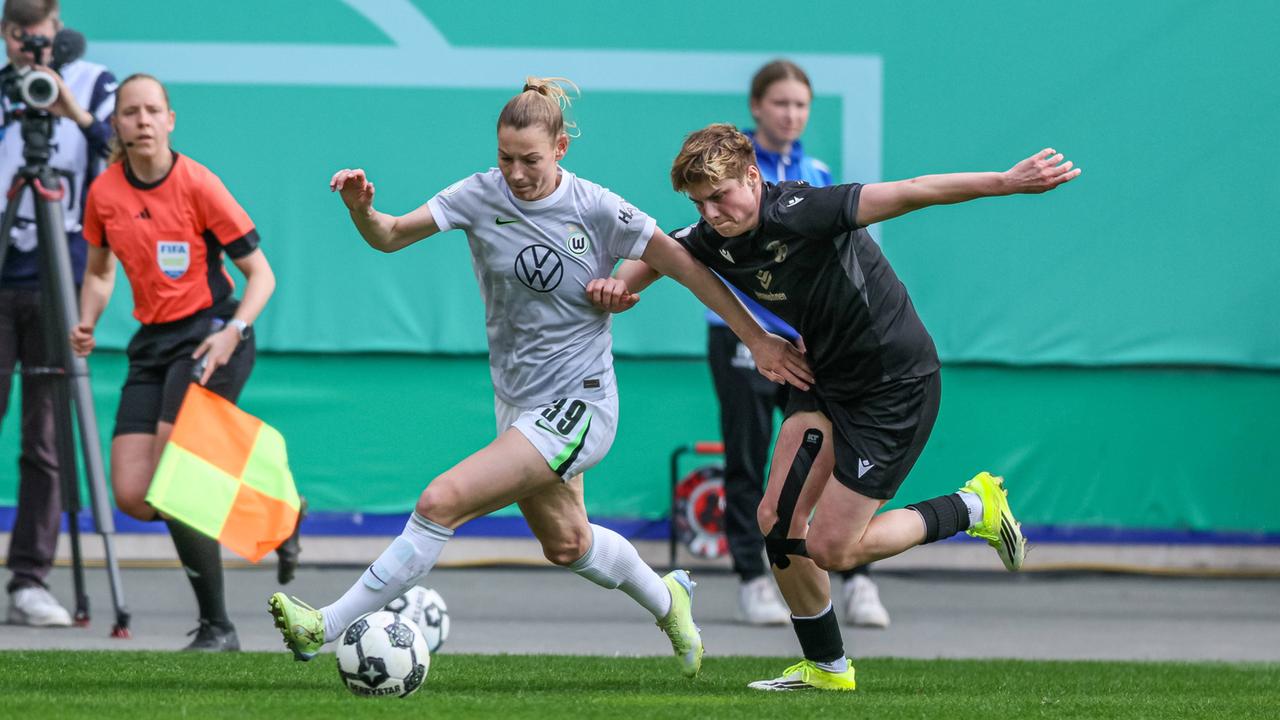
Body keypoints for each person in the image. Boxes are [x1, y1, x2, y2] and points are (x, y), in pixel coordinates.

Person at [267, 77, 811, 678]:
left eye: (530, 159)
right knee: (568, 545)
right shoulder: (478, 195)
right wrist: (362, 210)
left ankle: (324, 624)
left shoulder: (598, 207)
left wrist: (756, 336)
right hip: (518, 401)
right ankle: (670, 598)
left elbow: (687, 267)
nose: (517, 173)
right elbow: (391, 236)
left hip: (582, 403)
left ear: (560, 150)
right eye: (506, 158)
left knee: (440, 501)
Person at [595, 123, 1079, 690]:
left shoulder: (805, 209)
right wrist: (618, 288)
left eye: (720, 196)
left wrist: (1006, 181)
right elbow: (666, 254)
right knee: (776, 522)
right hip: (823, 377)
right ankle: (827, 666)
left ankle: (973, 508)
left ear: (753, 177)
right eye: (699, 203)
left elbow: (913, 189)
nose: (712, 212)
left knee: (832, 548)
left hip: (894, 386)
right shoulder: (712, 232)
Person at [74, 73, 280, 651]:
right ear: (115, 124)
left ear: (169, 120)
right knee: (135, 496)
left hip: (212, 336)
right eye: (130, 112)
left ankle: (219, 628)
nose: (141, 120)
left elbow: (261, 274)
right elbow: (97, 271)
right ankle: (274, 506)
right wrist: (87, 319)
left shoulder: (197, 183)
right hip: (152, 345)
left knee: (176, 484)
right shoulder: (104, 193)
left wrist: (233, 331)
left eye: (152, 110)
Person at [704, 59, 887, 627]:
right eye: (781, 103)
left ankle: (855, 580)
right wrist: (756, 334)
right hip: (746, 342)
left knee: (831, 457)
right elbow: (696, 253)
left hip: (812, 345)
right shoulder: (728, 172)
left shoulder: (816, 171)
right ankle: (753, 579)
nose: (791, 114)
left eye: (801, 105)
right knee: (748, 457)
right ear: (757, 107)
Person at [0, 0, 114, 628]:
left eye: (39, 35)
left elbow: (124, 152)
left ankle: (29, 580)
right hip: (1, 275)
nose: (30, 49)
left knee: (45, 438)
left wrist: (65, 103)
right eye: (17, 36)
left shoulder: (95, 83)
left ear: (57, 28)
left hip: (60, 279)